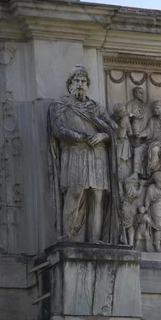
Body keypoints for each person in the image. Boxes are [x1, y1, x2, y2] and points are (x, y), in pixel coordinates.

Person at [48, 64, 119, 243]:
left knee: (97, 195)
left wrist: (103, 136)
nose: (80, 84)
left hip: (97, 155)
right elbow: (58, 130)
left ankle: (95, 239)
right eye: (76, 80)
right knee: (75, 191)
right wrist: (81, 137)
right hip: (74, 153)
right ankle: (68, 237)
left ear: (88, 85)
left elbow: (113, 131)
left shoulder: (97, 108)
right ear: (70, 84)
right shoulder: (60, 106)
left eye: (83, 81)